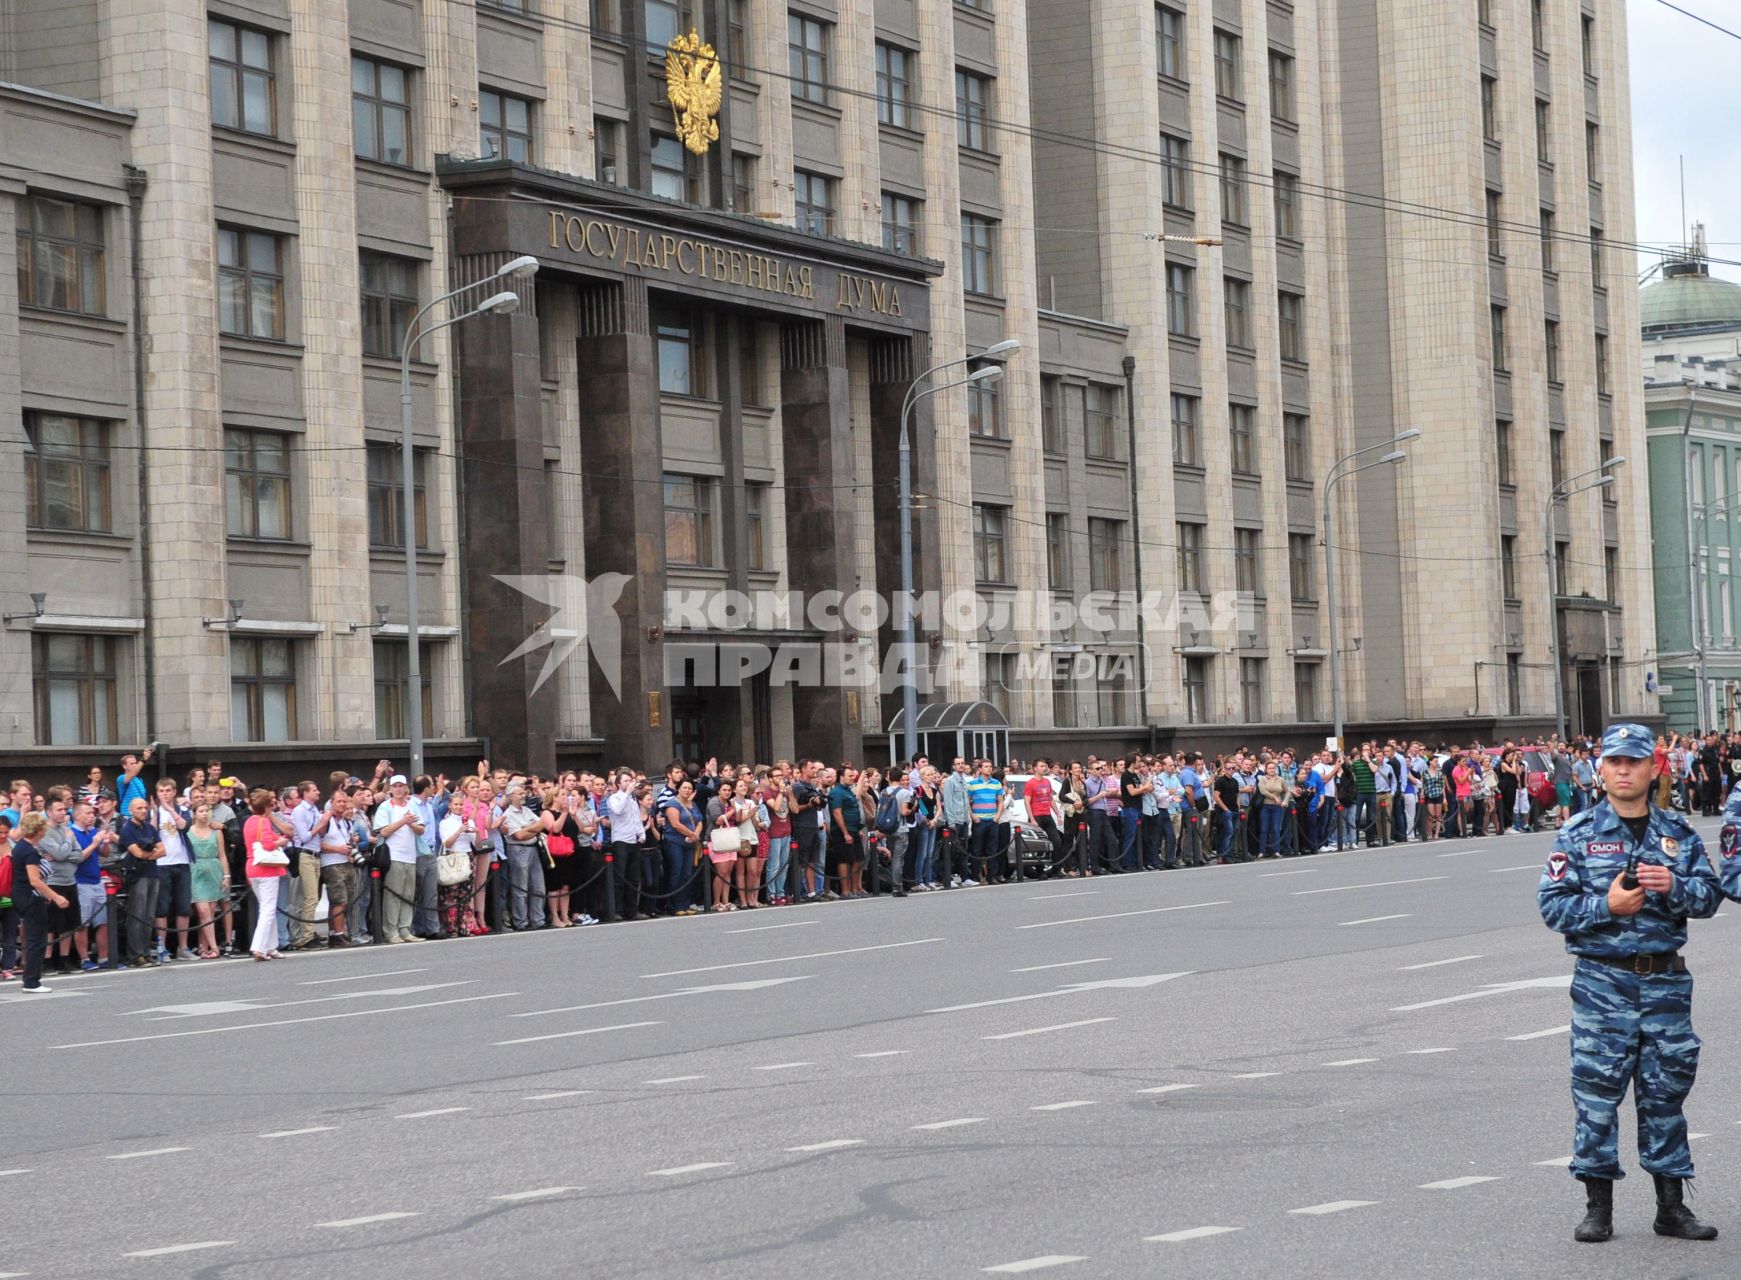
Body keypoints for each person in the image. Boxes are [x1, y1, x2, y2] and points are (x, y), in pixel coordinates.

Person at [1538, 722, 1720, 1245]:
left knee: (1666, 1094)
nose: (1623, 770)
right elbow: (1552, 906)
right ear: (1602, 768)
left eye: (1634, 762)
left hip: (1664, 983)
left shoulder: (1677, 833)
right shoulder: (1577, 833)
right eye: (1614, 761)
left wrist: (1676, 887)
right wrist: (1606, 905)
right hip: (1603, 984)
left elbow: (1710, 897)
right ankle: (1598, 1208)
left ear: (1652, 767)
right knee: (1597, 1095)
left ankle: (1671, 1207)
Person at [10, 812, 68, 993]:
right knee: (37, 939)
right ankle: (31, 982)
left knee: (33, 938)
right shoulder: (29, 851)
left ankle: (32, 979)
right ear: (38, 830)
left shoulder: (22, 847)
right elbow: (34, 880)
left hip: (22, 895)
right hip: (31, 897)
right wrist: (56, 897)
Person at [374, 775, 426, 944]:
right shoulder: (385, 807)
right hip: (393, 855)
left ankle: (405, 929)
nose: (397, 789)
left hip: (410, 856)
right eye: (394, 786)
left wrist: (412, 824)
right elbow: (383, 832)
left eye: (400, 786)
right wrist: (403, 821)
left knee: (408, 894)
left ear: (406, 788)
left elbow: (421, 830)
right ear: (390, 788)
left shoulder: (412, 806)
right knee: (393, 895)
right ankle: (391, 931)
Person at [242, 788, 290, 960]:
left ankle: (271, 946)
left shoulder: (249, 821)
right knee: (268, 909)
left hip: (252, 866)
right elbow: (268, 845)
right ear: (267, 807)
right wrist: (281, 841)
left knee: (266, 906)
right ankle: (259, 948)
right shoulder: (264, 822)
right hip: (267, 869)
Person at [118, 796, 163, 968]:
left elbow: (163, 850)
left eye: (145, 808)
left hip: (153, 873)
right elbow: (137, 853)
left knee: (149, 915)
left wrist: (148, 856)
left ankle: (145, 951)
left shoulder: (150, 828)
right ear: (131, 810)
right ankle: (135, 954)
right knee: (137, 915)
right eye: (139, 808)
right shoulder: (127, 829)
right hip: (137, 875)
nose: (143, 811)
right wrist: (150, 855)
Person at [188, 802, 229, 958]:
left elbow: (222, 855)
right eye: (201, 811)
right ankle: (215, 947)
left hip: (213, 869)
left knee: (210, 912)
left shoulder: (216, 832)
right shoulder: (189, 832)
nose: (204, 813)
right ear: (195, 814)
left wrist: (226, 876)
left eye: (207, 811)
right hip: (196, 870)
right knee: (203, 910)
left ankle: (204, 948)